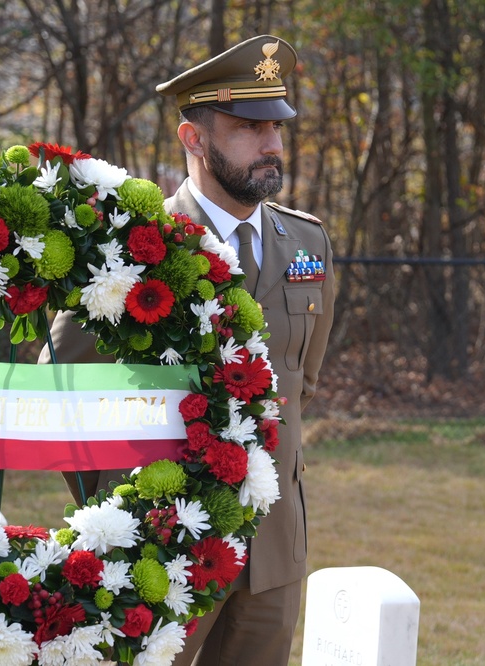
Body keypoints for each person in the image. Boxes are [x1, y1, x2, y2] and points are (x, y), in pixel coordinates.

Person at [40, 34, 334, 665]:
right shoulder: (135, 249)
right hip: (167, 549)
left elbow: (299, 386)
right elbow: (60, 388)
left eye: (276, 127)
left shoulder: (305, 245)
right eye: (249, 128)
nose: (273, 145)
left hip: (274, 546)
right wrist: (118, 513)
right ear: (193, 138)